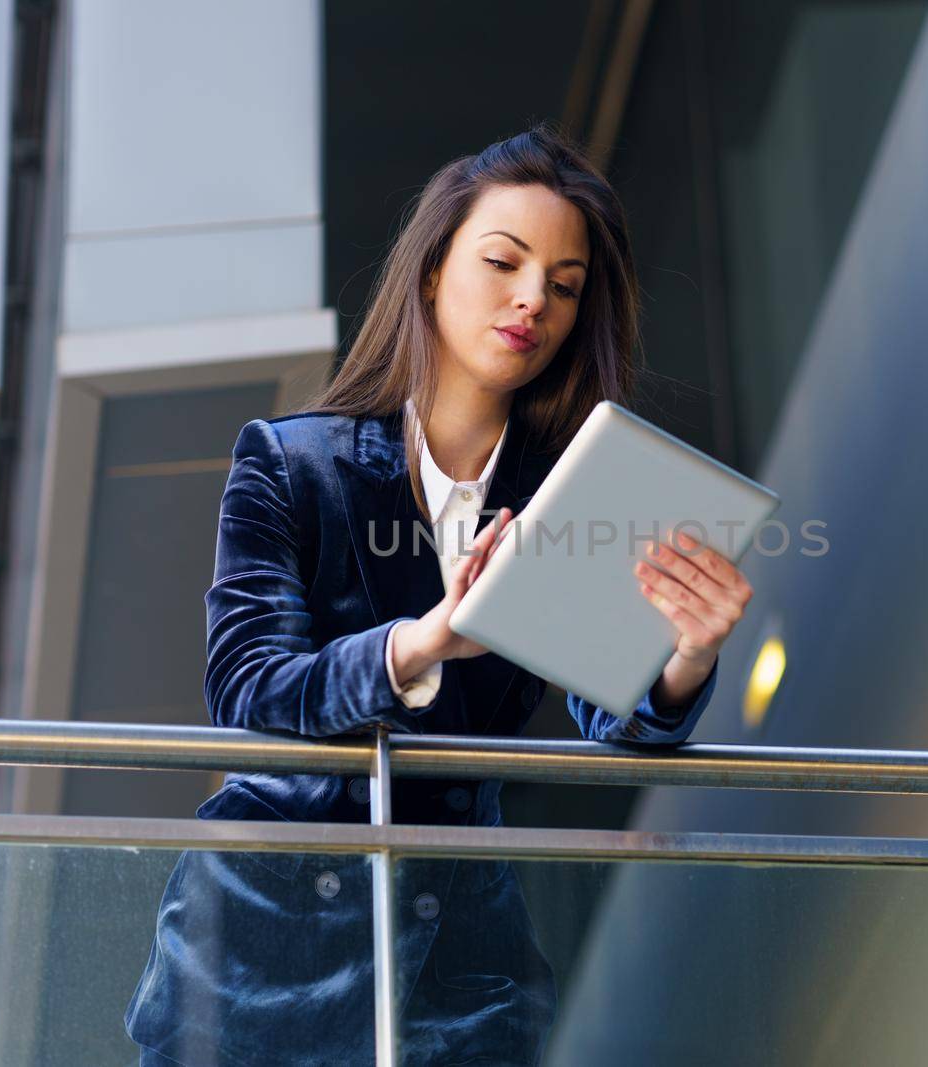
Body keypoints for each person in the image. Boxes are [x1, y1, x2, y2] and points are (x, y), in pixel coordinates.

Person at [123, 123, 755, 1066]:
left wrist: (686, 657)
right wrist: (422, 642)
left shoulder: (568, 495)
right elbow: (247, 690)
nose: (533, 298)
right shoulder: (295, 462)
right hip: (261, 954)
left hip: (461, 970)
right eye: (505, 260)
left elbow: (614, 721)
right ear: (430, 273)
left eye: (566, 285)